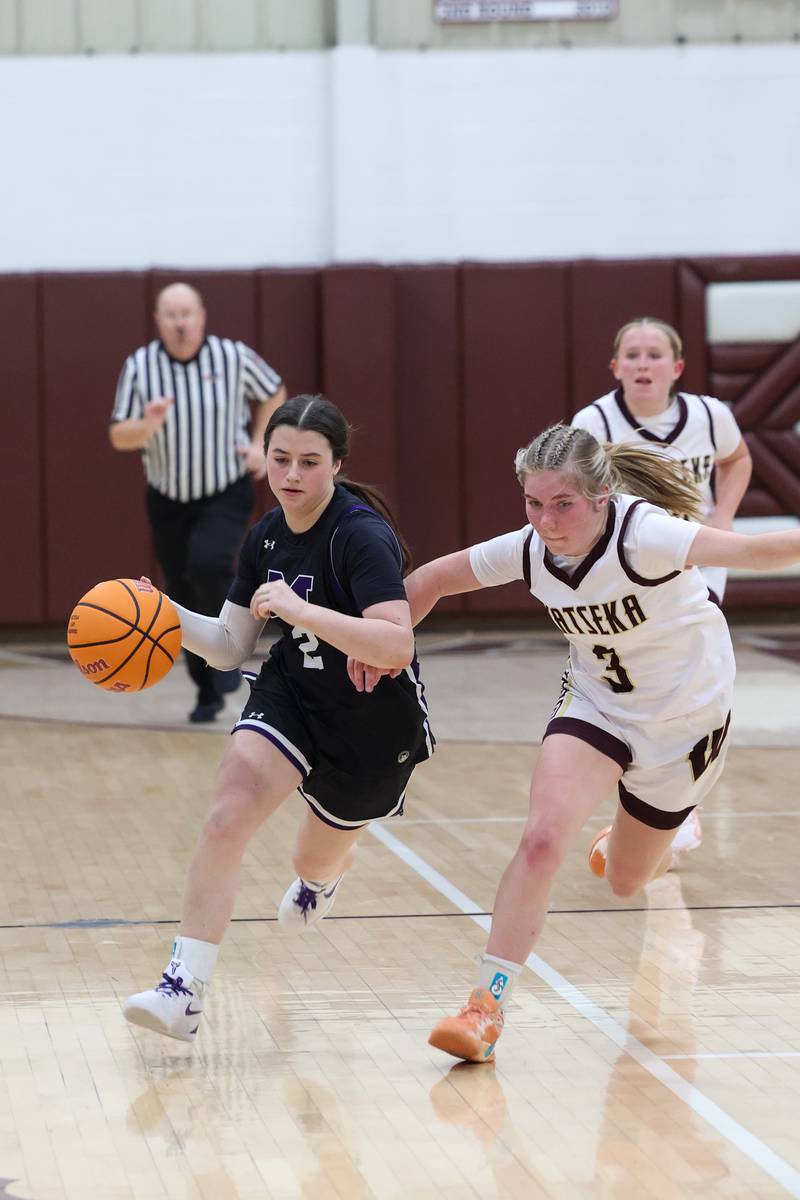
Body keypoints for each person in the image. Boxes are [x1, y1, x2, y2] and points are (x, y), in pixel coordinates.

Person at [349, 422, 800, 1064]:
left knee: (624, 881)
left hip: (685, 721)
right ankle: (484, 1007)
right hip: (599, 705)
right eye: (534, 504)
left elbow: (753, 554)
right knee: (540, 839)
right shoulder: (532, 548)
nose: (546, 521)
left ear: (601, 496)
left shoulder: (646, 536)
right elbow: (428, 583)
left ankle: (632, 840)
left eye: (562, 504)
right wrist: (380, 645)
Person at [123, 394, 434, 1043]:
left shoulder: (360, 535)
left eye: (309, 462)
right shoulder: (266, 533)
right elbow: (233, 646)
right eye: (280, 458)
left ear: (337, 464)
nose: (291, 474)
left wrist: (300, 611)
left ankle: (323, 878)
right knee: (226, 810)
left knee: (313, 857)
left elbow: (395, 644)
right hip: (294, 693)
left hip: (372, 726)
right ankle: (183, 988)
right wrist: (166, 617)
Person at [572, 316, 752, 863]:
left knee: (683, 675)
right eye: (632, 355)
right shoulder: (594, 421)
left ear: (676, 367)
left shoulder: (709, 415)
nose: (643, 364)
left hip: (693, 561)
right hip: (627, 565)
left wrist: (722, 515)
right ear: (615, 367)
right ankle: (652, 806)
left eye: (654, 355)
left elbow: (737, 459)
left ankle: (677, 809)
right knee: (640, 680)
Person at [109, 281, 287, 723]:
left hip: (224, 488)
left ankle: (230, 654)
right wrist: (146, 426)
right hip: (168, 496)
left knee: (207, 564)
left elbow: (274, 391)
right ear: (159, 321)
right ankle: (207, 690)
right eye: (171, 315)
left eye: (187, 313)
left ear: (202, 315)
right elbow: (118, 434)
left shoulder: (231, 356)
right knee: (181, 588)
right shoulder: (140, 366)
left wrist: (259, 445)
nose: (181, 322)